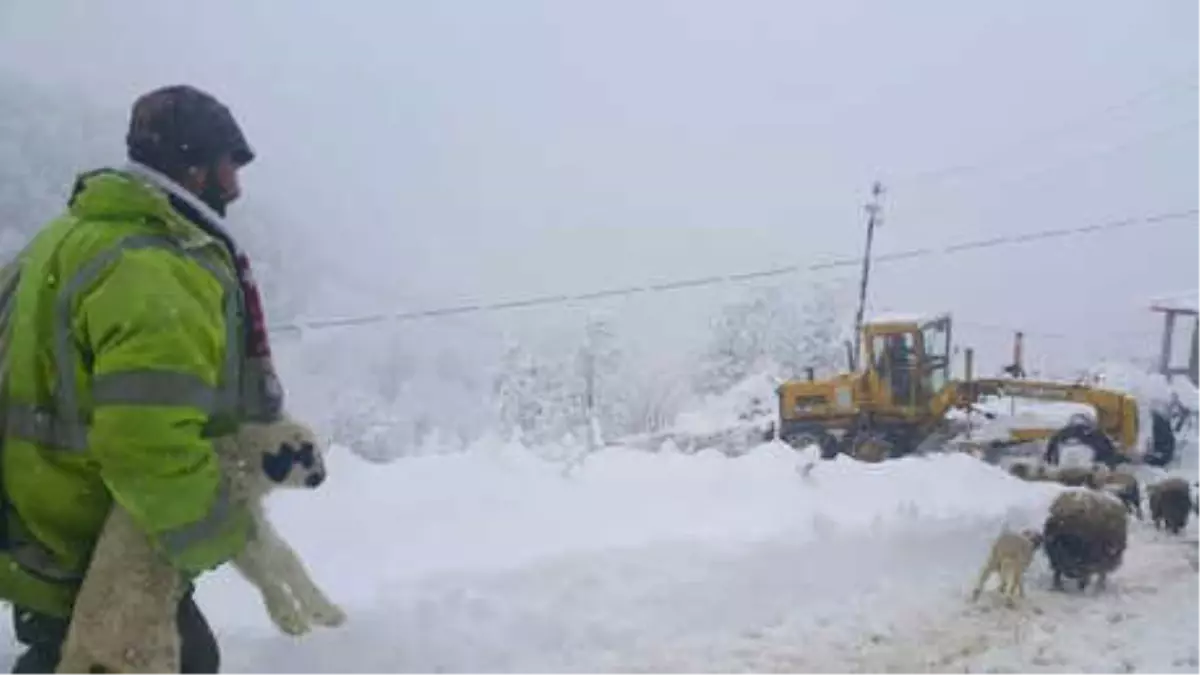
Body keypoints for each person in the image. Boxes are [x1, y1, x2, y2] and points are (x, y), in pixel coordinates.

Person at [0, 84, 285, 675]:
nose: (237, 184)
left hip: (37, 517)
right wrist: (221, 532)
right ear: (196, 167)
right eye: (231, 163)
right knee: (171, 661)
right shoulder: (153, 266)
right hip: (93, 534)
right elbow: (147, 444)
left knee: (68, 656)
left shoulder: (64, 239)